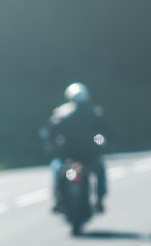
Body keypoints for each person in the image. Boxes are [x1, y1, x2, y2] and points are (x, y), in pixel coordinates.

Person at [39, 82, 109, 213]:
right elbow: (105, 132)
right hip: (89, 157)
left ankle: (58, 200)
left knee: (56, 169)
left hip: (68, 157)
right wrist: (104, 143)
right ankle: (99, 200)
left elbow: (51, 133)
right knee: (100, 170)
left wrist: (51, 145)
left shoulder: (61, 113)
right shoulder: (95, 112)